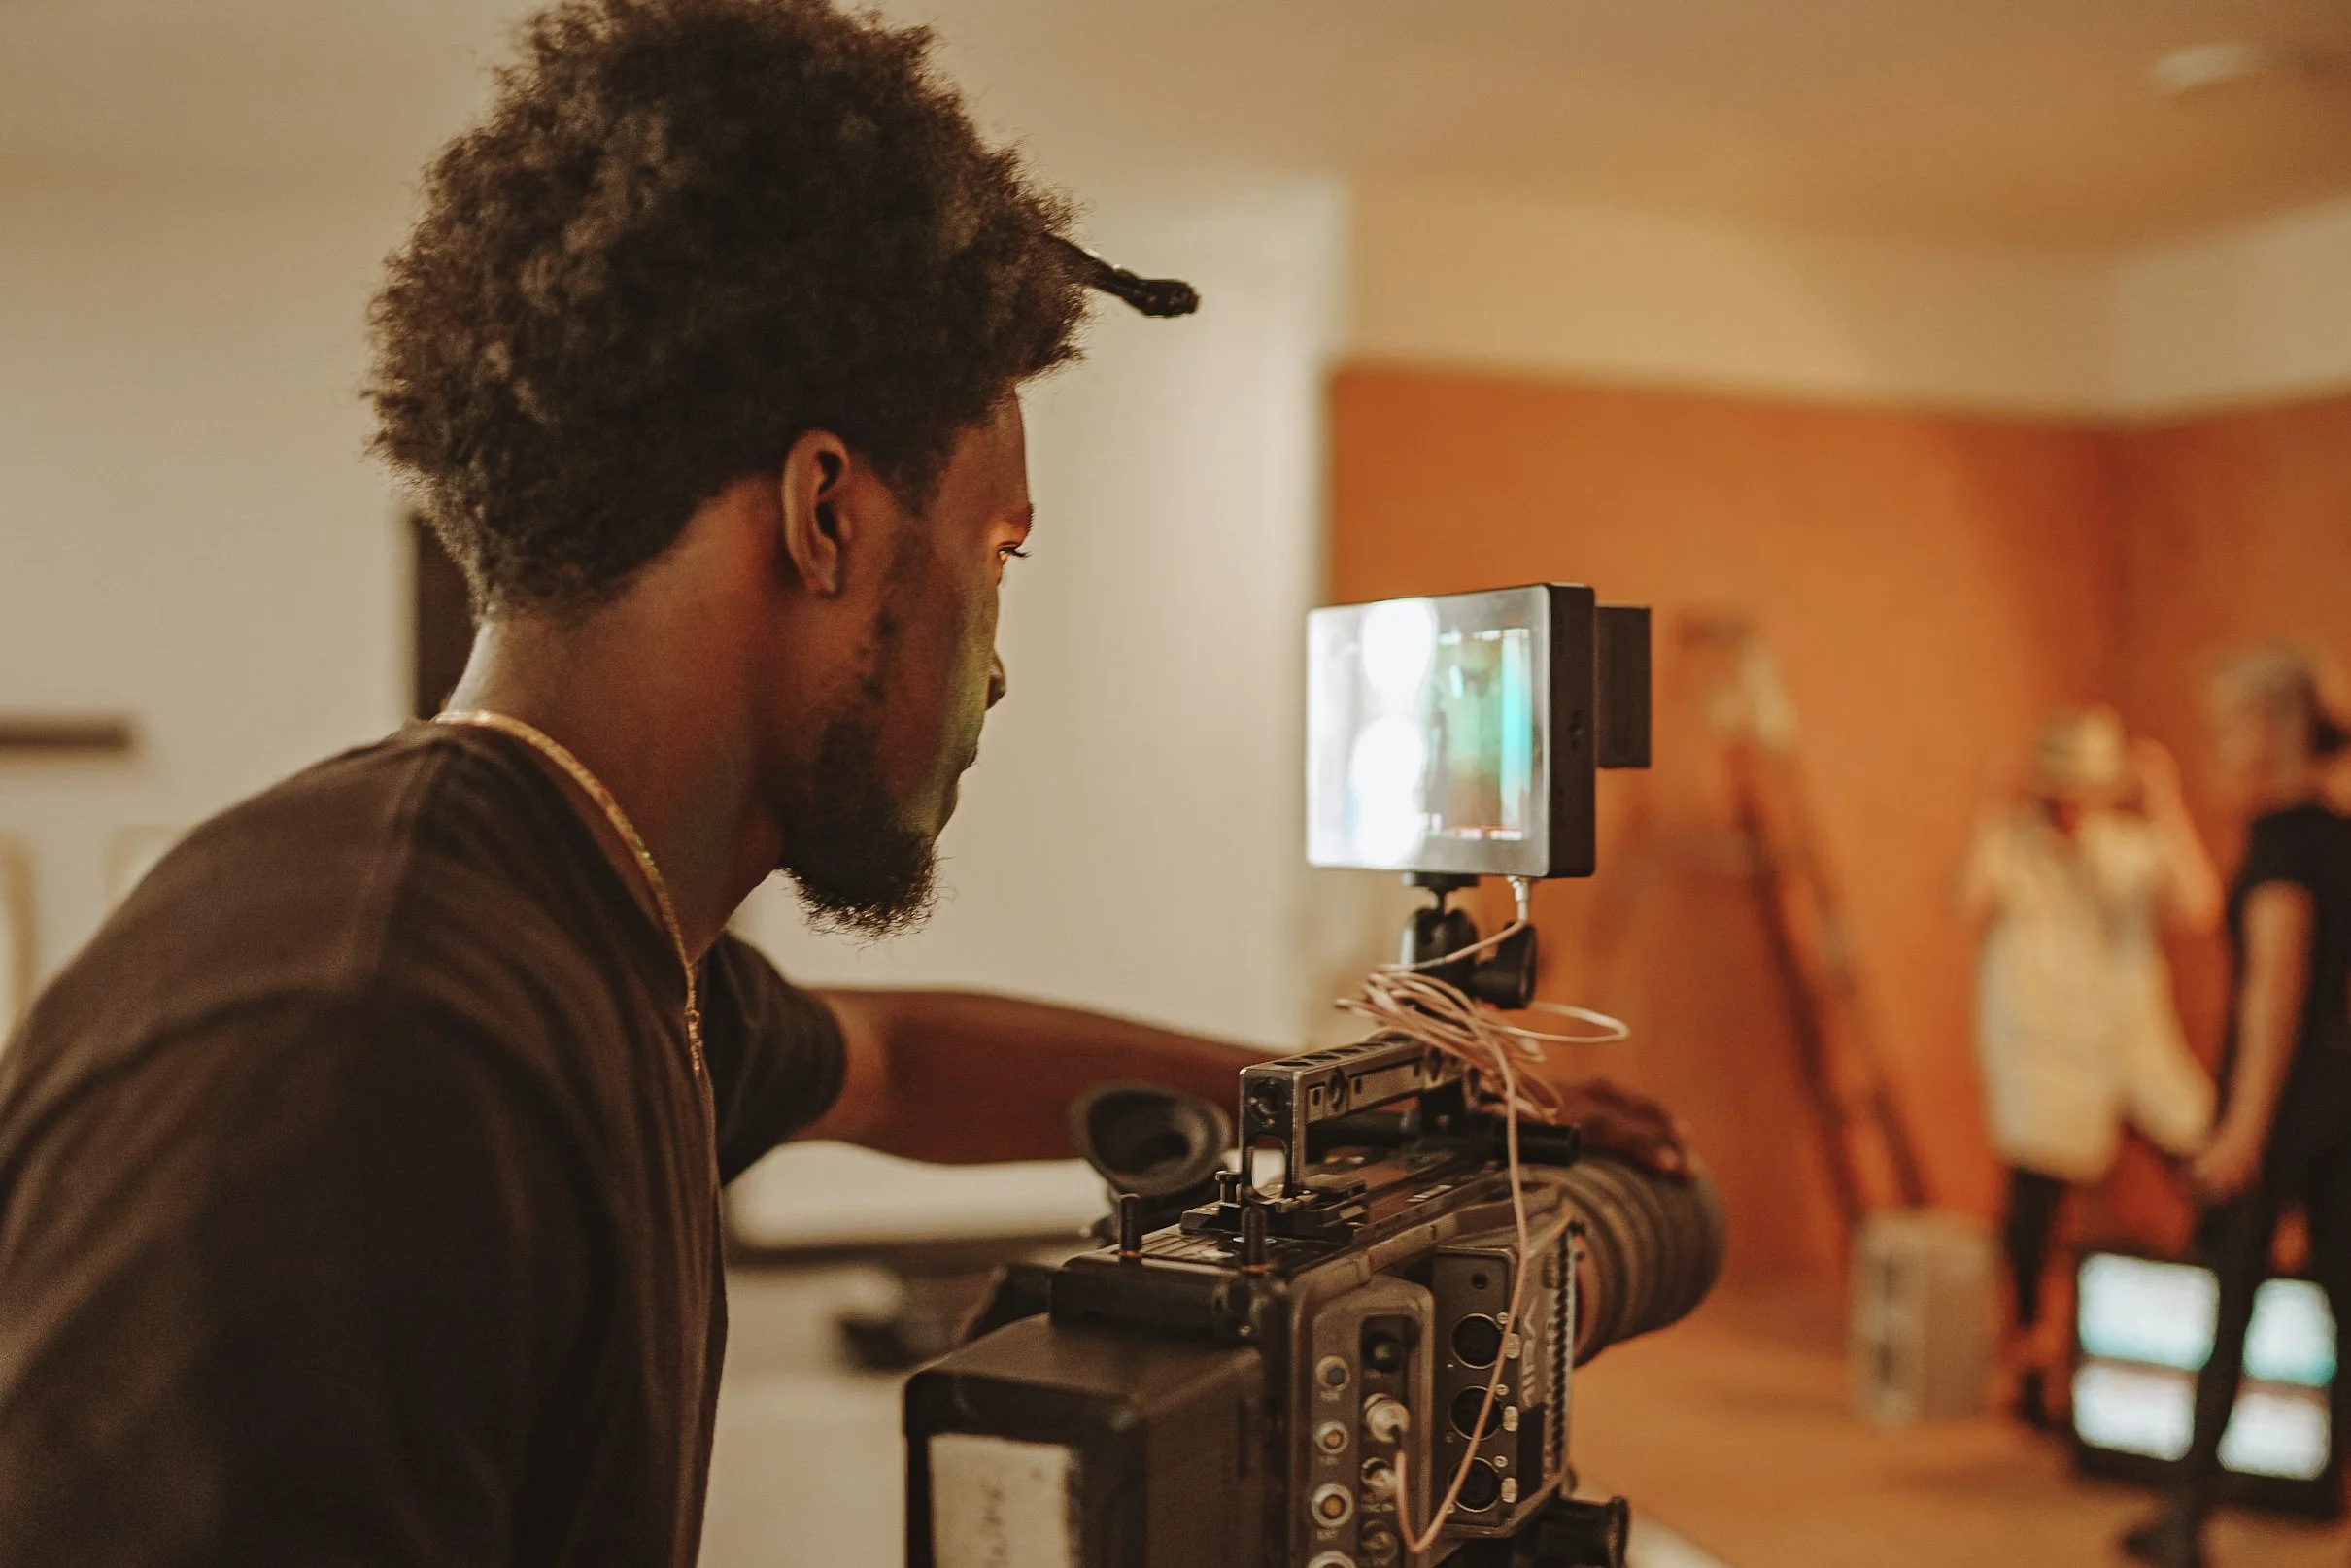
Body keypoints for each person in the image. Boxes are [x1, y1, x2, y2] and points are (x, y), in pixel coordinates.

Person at [0, 4, 1681, 1564]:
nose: (998, 661)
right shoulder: (366, 1052)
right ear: (827, 516)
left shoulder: (587, 940)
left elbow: (896, 1058)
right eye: (997, 552)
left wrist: (1376, 1107)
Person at [2122, 646, 2351, 1568]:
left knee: (2232, 1309)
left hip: (2284, 1107)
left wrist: (2242, 1131)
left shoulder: (2283, 844)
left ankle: (2185, 1519)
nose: (2222, 747)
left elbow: (2274, 991)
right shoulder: (2338, 833)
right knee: (2341, 1300)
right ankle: (2327, 1482)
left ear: (2267, 731)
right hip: (2337, 1100)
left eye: (2230, 728)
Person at [1959, 705, 2222, 1427]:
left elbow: (2199, 905)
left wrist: (2164, 802)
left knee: (2204, 1161)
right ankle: (2032, 1352)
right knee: (2036, 1203)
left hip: (2130, 1038)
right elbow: (1972, 900)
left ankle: (2211, 1326)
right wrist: (1990, 805)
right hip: (2046, 1047)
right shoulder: (2015, 847)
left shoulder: (2132, 849)